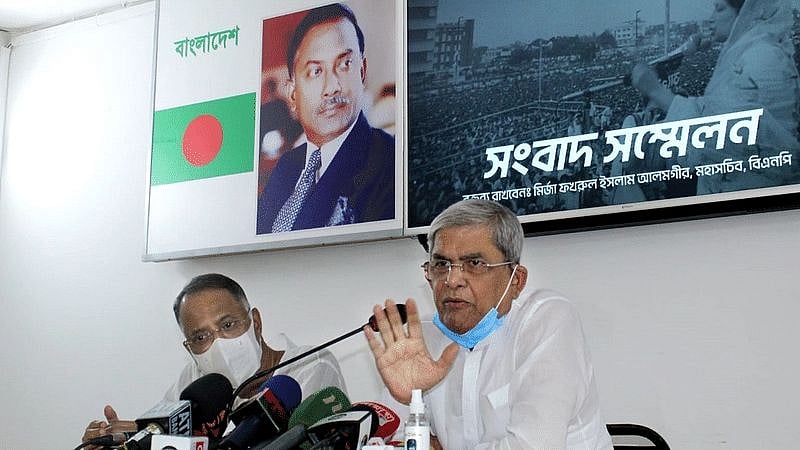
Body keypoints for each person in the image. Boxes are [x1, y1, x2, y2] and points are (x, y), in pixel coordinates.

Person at [364, 199, 612, 449]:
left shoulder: (546, 319)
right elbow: (388, 441)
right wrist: (409, 401)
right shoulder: (424, 336)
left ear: (516, 280)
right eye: (441, 264)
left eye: (474, 264)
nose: (452, 280)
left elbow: (531, 446)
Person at [81, 273, 346, 448]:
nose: (218, 343)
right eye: (200, 337)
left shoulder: (310, 366)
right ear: (189, 349)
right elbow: (163, 433)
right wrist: (131, 438)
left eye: (228, 325)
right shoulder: (194, 381)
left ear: (255, 322)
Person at [631, 0, 800, 194]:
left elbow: (728, 137)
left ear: (746, 13)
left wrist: (657, 92)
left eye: (719, 9)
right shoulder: (749, 53)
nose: (711, 19)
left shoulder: (762, 57)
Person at [256, 3, 395, 234]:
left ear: (362, 71)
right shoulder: (286, 167)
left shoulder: (389, 161)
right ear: (292, 93)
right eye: (315, 71)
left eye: (344, 64)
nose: (332, 87)